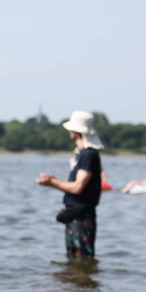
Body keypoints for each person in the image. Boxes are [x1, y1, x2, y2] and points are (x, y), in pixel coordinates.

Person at [36, 111, 104, 261]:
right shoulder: (84, 154)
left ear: (77, 131)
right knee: (75, 261)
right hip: (76, 216)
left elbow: (77, 187)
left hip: (82, 217)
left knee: (82, 259)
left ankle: (82, 283)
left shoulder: (88, 155)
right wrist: (54, 181)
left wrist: (51, 182)